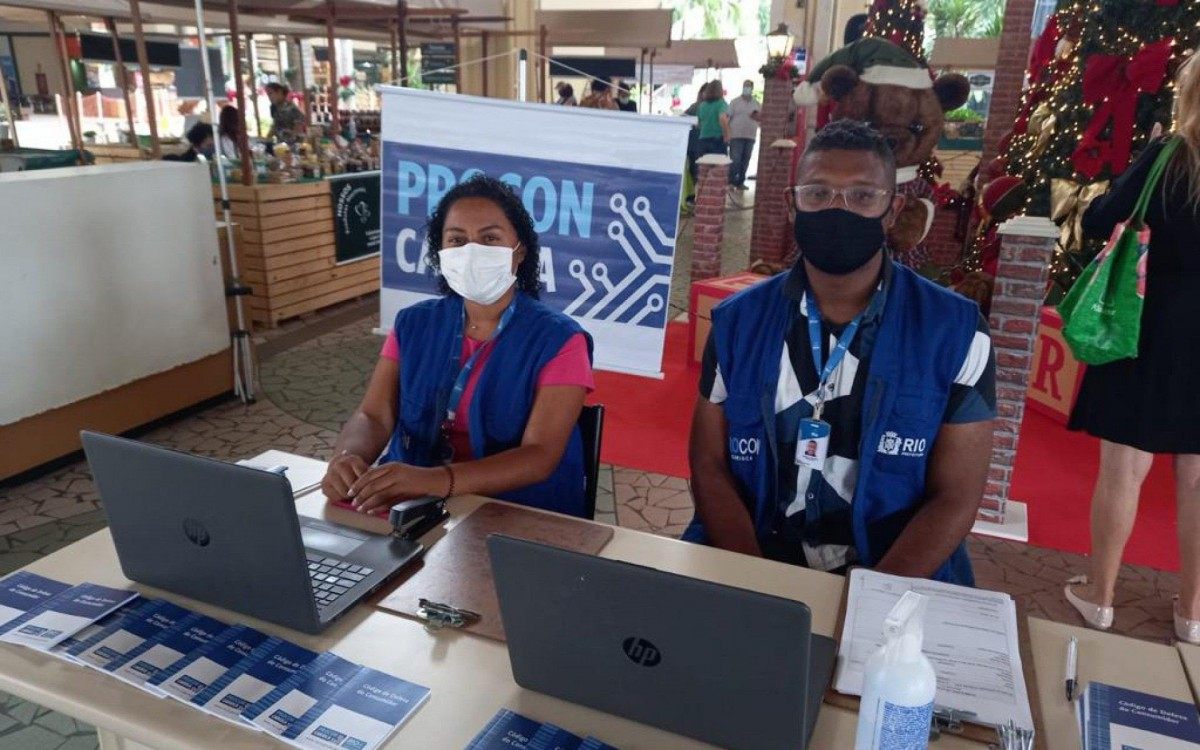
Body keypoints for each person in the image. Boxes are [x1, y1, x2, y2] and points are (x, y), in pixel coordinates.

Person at [684, 120, 996, 585]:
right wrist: (759, 586)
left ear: (893, 210)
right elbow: (708, 465)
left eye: (862, 196)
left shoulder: (955, 332)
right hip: (752, 558)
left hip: (894, 578)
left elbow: (956, 497)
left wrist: (867, 604)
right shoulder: (736, 323)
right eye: (818, 194)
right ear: (793, 205)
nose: (838, 210)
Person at [320, 175, 595, 518]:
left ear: (519, 251)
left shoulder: (560, 340)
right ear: (441, 252)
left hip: (514, 513)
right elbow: (373, 415)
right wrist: (349, 457)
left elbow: (539, 455)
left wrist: (433, 481)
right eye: (457, 240)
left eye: (490, 238)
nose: (471, 252)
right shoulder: (411, 325)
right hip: (411, 506)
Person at [1064, 50, 1200, 643]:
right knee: (1198, 478)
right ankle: (1194, 613)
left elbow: (1102, 217)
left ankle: (1101, 596)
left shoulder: (1171, 155)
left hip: (1148, 325)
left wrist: (1137, 167)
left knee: (1124, 467)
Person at [727, 80, 761, 190]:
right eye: (745, 86)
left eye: (749, 86)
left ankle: (740, 182)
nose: (747, 88)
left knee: (745, 160)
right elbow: (728, 117)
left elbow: (760, 119)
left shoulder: (756, 104)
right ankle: (731, 181)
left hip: (750, 136)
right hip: (736, 135)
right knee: (735, 159)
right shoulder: (735, 102)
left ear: (752, 88)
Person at [695, 81, 730, 157]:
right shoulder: (721, 103)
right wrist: (726, 135)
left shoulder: (702, 105)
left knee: (704, 167)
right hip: (717, 140)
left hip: (703, 139)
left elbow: (698, 123)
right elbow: (722, 118)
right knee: (718, 167)